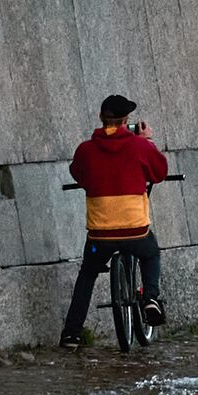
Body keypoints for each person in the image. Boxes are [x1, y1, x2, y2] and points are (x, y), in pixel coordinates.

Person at [59, 94, 169, 350]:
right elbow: (160, 172)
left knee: (88, 273)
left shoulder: (86, 150)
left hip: (100, 238)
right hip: (136, 234)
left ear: (101, 118)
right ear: (126, 121)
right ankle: (151, 299)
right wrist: (148, 141)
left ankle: (71, 334)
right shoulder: (140, 147)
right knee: (151, 254)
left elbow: (78, 173)